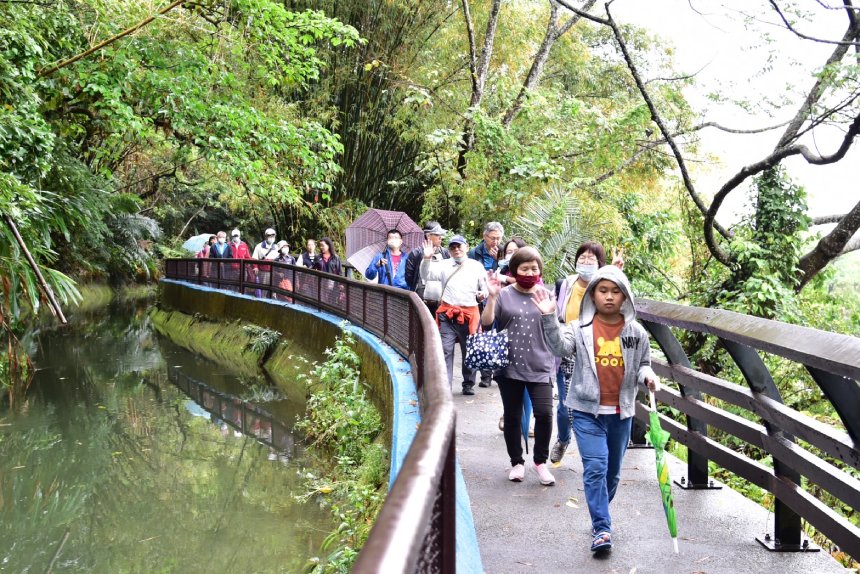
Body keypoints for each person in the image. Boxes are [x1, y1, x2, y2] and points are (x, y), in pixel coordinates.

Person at [535, 265, 659, 553]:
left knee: (612, 474)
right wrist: (547, 317)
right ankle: (602, 527)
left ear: (625, 297)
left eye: (616, 291)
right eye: (603, 291)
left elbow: (643, 365)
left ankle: (600, 512)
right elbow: (559, 348)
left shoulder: (636, 333)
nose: (609, 297)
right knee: (595, 468)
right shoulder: (580, 328)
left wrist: (648, 377)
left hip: (620, 412)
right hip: (585, 411)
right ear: (593, 295)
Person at [481, 247, 556, 485]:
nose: (530, 272)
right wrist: (492, 297)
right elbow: (487, 323)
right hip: (509, 365)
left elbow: (555, 332)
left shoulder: (546, 295)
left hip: (541, 364)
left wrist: (549, 314)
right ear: (514, 270)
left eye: (534, 268)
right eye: (524, 268)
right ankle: (516, 462)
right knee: (513, 417)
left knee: (544, 414)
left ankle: (540, 462)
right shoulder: (504, 295)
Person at [550, 243, 624, 465]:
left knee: (591, 403)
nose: (586, 262)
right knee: (564, 406)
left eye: (592, 259)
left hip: (595, 351)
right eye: (582, 257)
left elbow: (621, 306)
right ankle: (563, 440)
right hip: (568, 349)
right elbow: (554, 314)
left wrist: (617, 272)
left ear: (600, 264)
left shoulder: (603, 288)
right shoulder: (565, 285)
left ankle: (593, 453)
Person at [420, 235, 488, 395]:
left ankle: (469, 383)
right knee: (445, 349)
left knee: (469, 349)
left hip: (470, 313)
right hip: (447, 314)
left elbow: (484, 287)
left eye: (459, 246)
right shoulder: (443, 265)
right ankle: (445, 386)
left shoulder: (476, 266)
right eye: (453, 247)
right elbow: (426, 275)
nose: (456, 249)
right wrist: (426, 258)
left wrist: (482, 294)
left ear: (467, 246)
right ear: (449, 250)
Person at [469, 222, 504, 388]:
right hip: (478, 300)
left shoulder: (504, 253)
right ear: (485, 237)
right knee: (482, 337)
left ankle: (494, 373)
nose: (495, 242)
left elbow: (507, 274)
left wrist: (499, 260)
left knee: (496, 337)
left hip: (498, 300)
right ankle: (485, 375)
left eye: (498, 238)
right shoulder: (474, 253)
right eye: (492, 238)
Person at [405, 221, 450, 316]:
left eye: (441, 235)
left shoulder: (445, 253)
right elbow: (409, 278)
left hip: (442, 302)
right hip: (422, 301)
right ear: (428, 236)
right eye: (437, 234)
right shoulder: (416, 253)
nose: (440, 237)